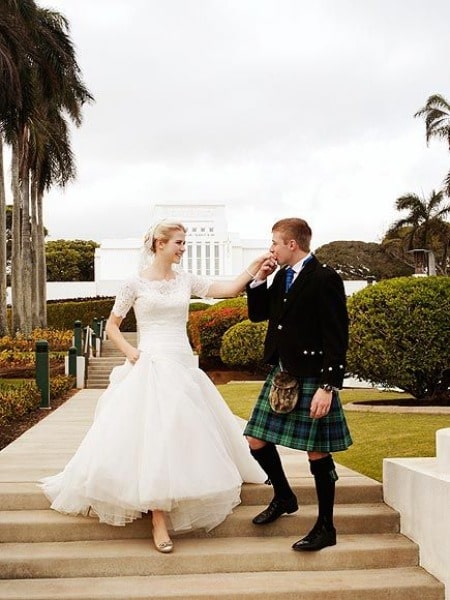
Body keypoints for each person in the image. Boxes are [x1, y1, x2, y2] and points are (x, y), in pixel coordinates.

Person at [40, 220, 269, 553]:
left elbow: (229, 289)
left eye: (184, 242)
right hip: (148, 364)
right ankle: (158, 518)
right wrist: (131, 352)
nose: (183, 248)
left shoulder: (186, 280)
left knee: (180, 433)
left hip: (182, 365)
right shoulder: (133, 283)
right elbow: (112, 326)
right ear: (160, 244)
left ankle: (178, 492)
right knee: (154, 435)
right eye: (179, 242)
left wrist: (254, 267)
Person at [243, 217, 352, 551]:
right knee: (255, 439)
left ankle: (326, 527)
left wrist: (328, 386)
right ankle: (284, 496)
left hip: (313, 375)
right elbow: (259, 315)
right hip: (283, 373)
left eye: (275, 242)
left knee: (317, 451)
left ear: (292, 244)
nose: (271, 249)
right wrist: (259, 280)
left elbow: (337, 335)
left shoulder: (324, 278)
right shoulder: (281, 277)